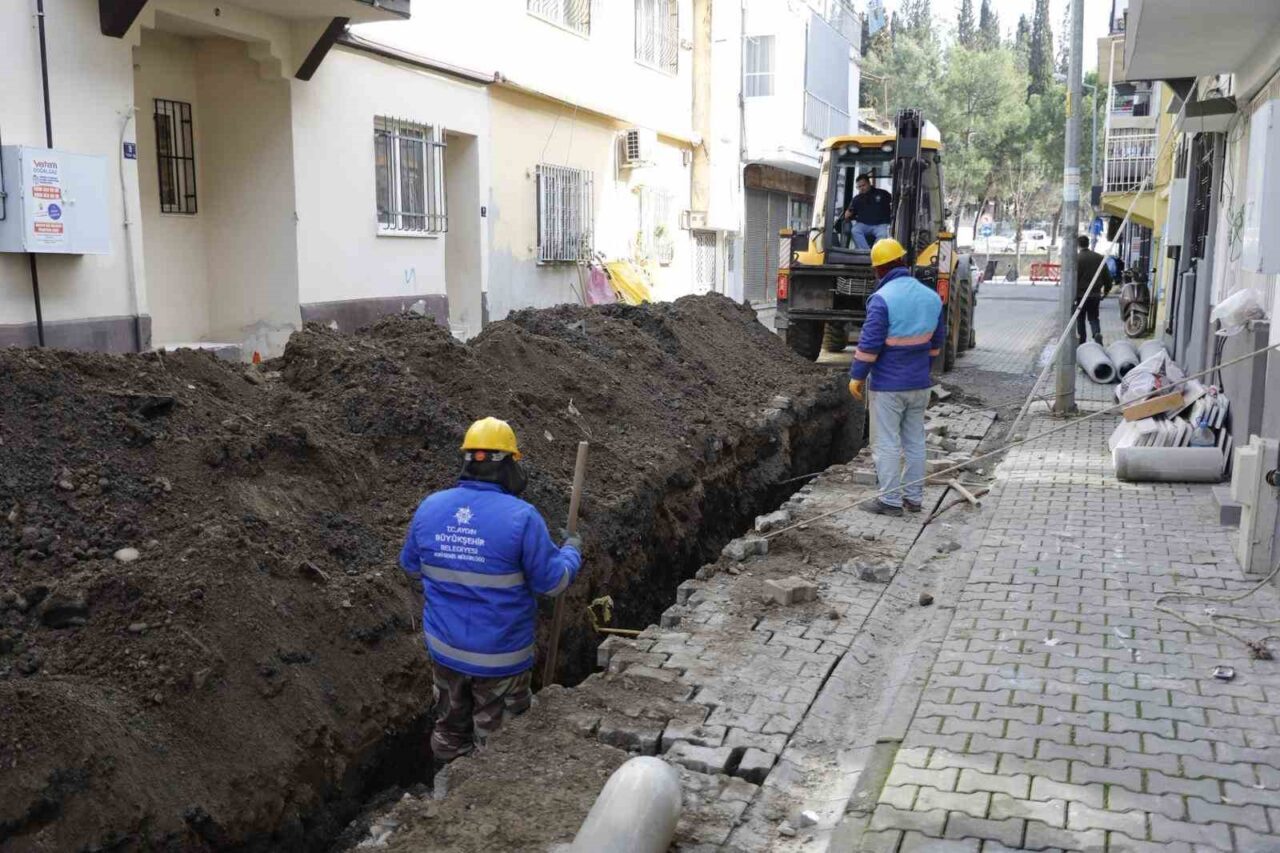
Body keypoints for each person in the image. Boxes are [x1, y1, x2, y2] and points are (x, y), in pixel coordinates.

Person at [400, 416, 582, 775]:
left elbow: (410, 565)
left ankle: (447, 790)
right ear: (508, 464)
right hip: (500, 660)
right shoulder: (522, 518)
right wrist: (572, 551)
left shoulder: (430, 508)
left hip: (445, 652)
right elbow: (553, 583)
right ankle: (486, 794)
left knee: (449, 730)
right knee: (500, 749)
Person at [847, 238, 946, 516]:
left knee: (886, 443)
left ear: (878, 269)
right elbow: (937, 342)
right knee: (915, 441)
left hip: (888, 387)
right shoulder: (931, 297)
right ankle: (914, 499)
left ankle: (890, 501)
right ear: (902, 261)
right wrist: (922, 367)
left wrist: (857, 376)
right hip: (919, 384)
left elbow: (869, 344)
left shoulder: (883, 299)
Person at [1074, 235, 1113, 345]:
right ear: (1088, 243)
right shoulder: (1099, 258)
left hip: (1080, 295)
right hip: (1095, 294)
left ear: (1078, 245)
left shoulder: (1077, 259)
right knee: (1094, 317)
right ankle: (1096, 333)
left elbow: (1073, 279)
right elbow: (1107, 277)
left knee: (1080, 318)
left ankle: (1082, 341)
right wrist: (1106, 291)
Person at [848, 173, 893, 251]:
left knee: (884, 234)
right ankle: (866, 252)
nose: (861, 188)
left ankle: (875, 252)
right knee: (855, 230)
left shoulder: (882, 193)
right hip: (864, 225)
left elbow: (895, 203)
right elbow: (849, 213)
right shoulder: (856, 199)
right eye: (859, 187)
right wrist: (848, 213)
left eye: (863, 185)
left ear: (869, 183)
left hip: (881, 225)